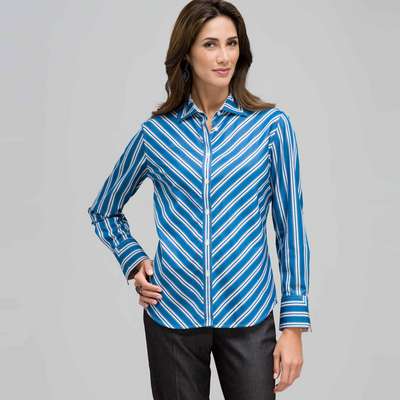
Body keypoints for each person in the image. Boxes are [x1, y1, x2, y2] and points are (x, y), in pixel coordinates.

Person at [87, 1, 312, 399]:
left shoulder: (272, 128)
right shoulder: (157, 134)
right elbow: (104, 210)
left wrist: (293, 326)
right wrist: (133, 260)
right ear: (187, 53)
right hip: (173, 315)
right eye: (210, 44)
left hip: (248, 311)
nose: (224, 56)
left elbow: (290, 227)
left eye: (231, 43)